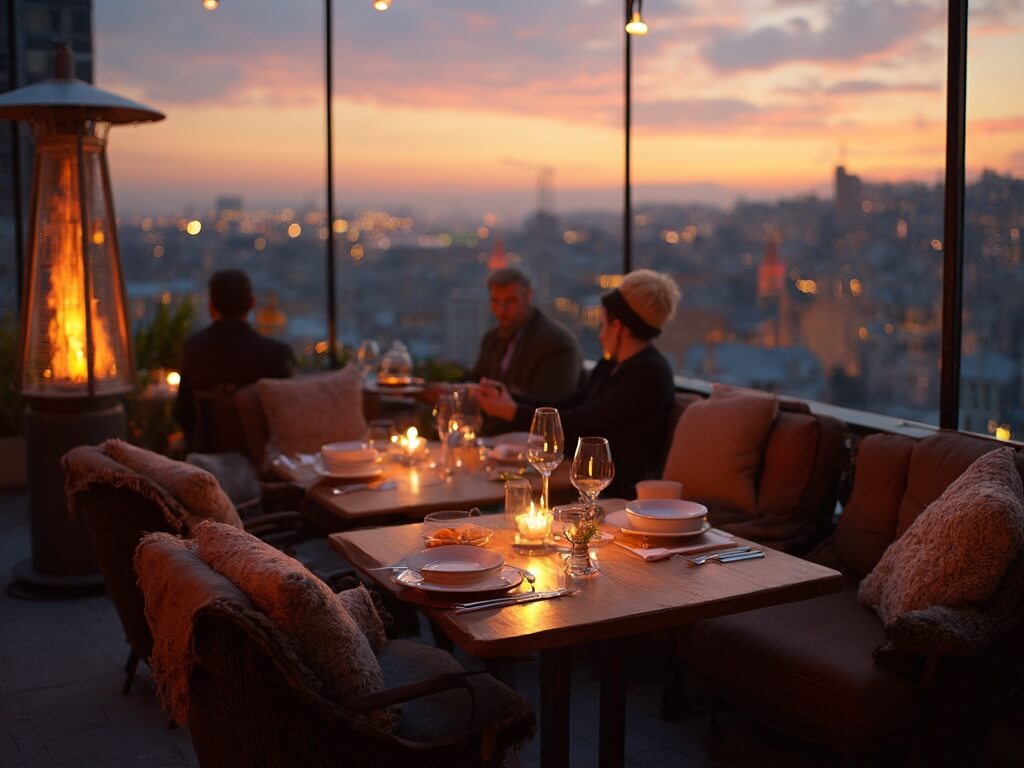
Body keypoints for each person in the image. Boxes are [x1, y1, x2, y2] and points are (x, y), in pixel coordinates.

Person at [475, 269, 679, 499]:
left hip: (616, 494)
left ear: (618, 326)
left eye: (603, 324)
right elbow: (570, 403)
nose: (600, 335)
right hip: (589, 481)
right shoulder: (613, 365)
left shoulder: (647, 375)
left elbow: (585, 423)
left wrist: (512, 411)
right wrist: (511, 400)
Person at [175, 270, 294, 451]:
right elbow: (286, 418)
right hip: (262, 461)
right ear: (252, 303)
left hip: (207, 458)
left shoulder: (194, 349)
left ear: (211, 307)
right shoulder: (276, 354)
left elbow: (183, 411)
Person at [467, 267, 582, 434]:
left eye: (510, 301)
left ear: (528, 296)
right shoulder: (492, 339)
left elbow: (552, 408)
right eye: (495, 302)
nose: (501, 311)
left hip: (535, 444)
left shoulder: (557, 343)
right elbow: (476, 380)